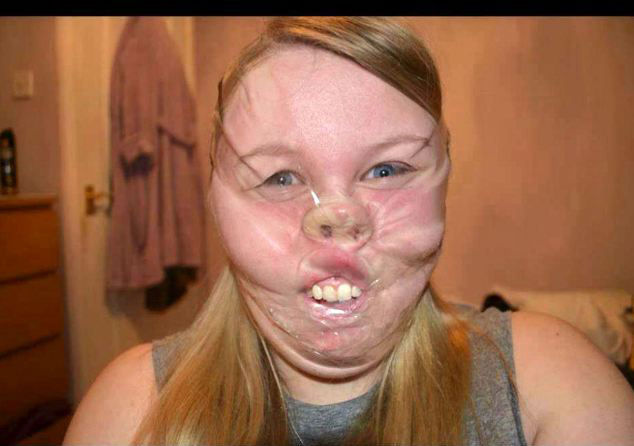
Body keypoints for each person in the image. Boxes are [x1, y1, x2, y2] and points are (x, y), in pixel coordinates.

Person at [63, 17, 634, 445]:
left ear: (445, 177)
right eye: (280, 177)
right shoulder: (131, 411)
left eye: (386, 170)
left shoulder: (549, 385)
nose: (338, 219)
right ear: (214, 198)